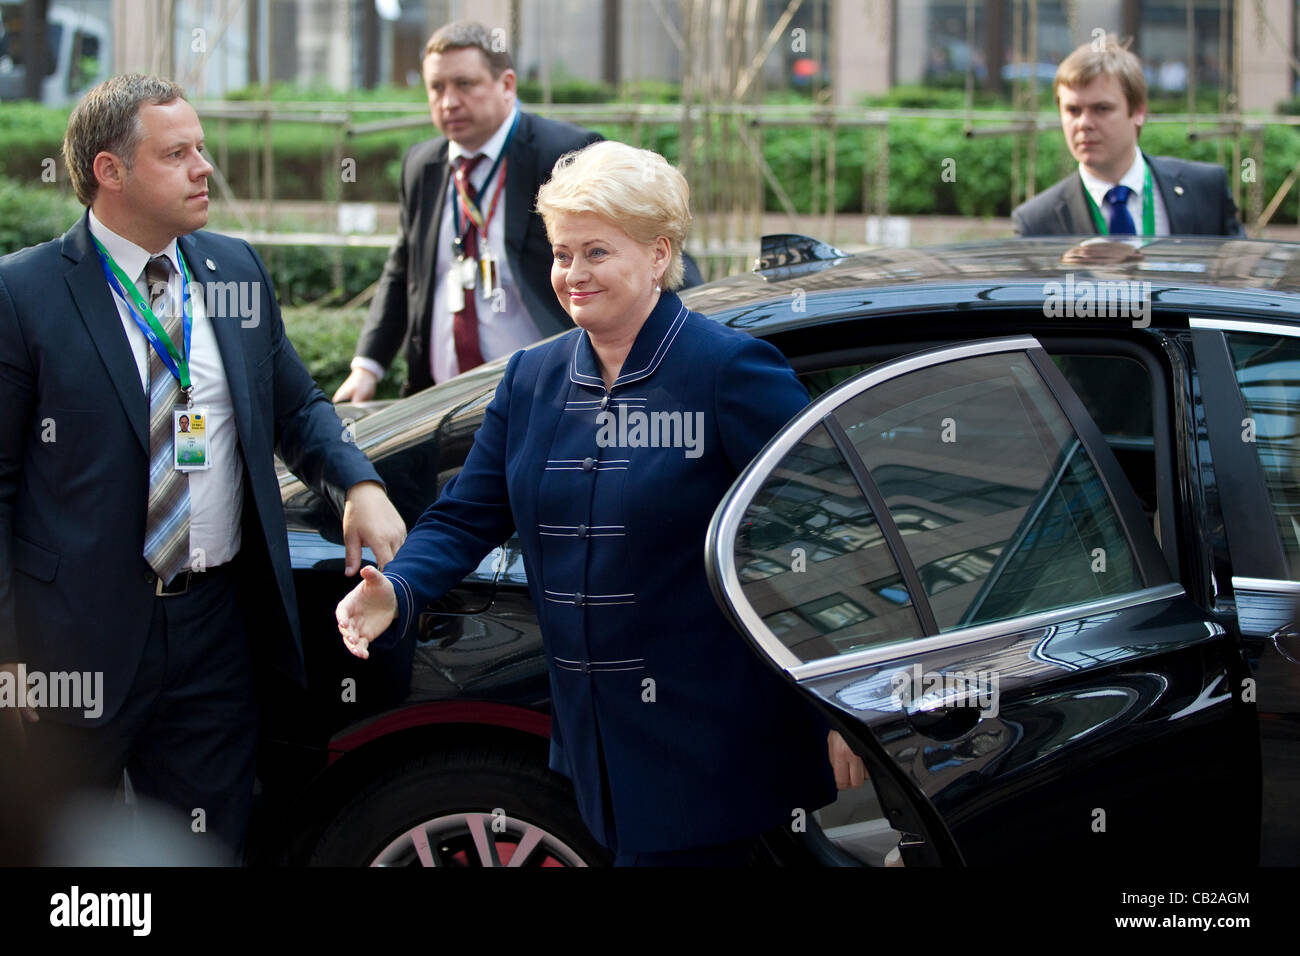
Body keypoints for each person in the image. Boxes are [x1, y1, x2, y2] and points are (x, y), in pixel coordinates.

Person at [337, 141, 865, 866]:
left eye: (596, 252)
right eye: (561, 254)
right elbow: (466, 515)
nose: (573, 274)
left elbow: (829, 522)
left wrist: (846, 697)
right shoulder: (532, 378)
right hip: (594, 742)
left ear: (658, 254)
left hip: (720, 739)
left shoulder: (728, 370)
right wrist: (397, 589)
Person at [0, 73, 407, 861]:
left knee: (207, 841)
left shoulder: (233, 270)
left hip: (216, 628)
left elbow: (296, 407)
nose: (204, 168)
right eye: (178, 153)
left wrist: (358, 482)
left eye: (202, 147)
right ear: (110, 172)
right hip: (69, 640)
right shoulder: (25, 294)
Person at [331, 20, 602, 402]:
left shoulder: (564, 154)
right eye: (436, 88)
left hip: (550, 395)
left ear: (507, 85)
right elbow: (404, 269)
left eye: (464, 84)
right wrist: (366, 366)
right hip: (444, 407)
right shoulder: (421, 165)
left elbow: (622, 253)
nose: (449, 102)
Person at [1012, 35, 1244, 238]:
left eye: (1101, 108)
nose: (1083, 124)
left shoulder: (1205, 190)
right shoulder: (1036, 222)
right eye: (1073, 110)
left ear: (1138, 112)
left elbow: (1236, 282)